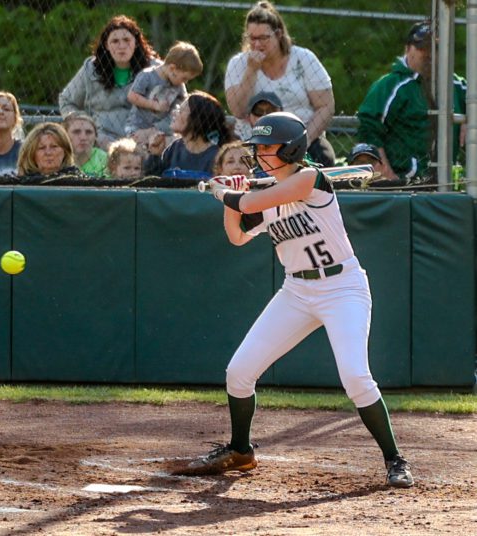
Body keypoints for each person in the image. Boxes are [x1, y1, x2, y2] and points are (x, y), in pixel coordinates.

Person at [177, 112, 413, 489]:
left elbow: (248, 203)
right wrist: (231, 201)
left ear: (291, 149)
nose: (259, 155)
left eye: (268, 148)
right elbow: (237, 236)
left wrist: (226, 192)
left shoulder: (310, 179)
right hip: (297, 291)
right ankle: (240, 450)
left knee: (355, 376)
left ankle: (395, 459)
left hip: (343, 288)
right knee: (239, 372)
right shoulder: (268, 195)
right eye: (258, 149)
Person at [224, 1, 336, 166]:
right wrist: (251, 70)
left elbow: (326, 106)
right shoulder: (238, 64)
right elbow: (238, 111)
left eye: (263, 38)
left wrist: (304, 140)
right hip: (253, 141)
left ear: (278, 34)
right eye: (252, 38)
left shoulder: (303, 58)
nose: (257, 44)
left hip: (302, 138)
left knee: (323, 159)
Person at [356, 20, 467, 183]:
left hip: (446, 183)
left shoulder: (456, 85)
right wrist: (386, 176)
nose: (430, 54)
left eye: (436, 48)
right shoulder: (390, 85)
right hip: (404, 183)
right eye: (423, 48)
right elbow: (368, 130)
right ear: (407, 49)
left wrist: (469, 117)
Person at [59, 15, 161, 150]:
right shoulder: (92, 69)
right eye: (115, 41)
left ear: (136, 43)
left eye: (126, 40)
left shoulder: (156, 70)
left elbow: (176, 105)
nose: (121, 46)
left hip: (143, 142)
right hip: (101, 142)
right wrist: (83, 125)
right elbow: (66, 100)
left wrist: (153, 131)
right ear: (106, 45)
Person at [125, 41, 202, 145]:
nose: (185, 82)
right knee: (137, 150)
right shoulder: (147, 76)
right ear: (172, 68)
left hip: (160, 130)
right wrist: (154, 105)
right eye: (184, 78)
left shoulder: (179, 86)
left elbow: (183, 105)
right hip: (137, 127)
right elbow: (132, 96)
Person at [144, 90, 235, 178]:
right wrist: (155, 155)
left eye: (181, 110)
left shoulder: (216, 156)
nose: (174, 113)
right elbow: (152, 181)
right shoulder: (174, 148)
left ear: (196, 119)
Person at [62, 112, 108, 177]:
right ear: (65, 135)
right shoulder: (57, 157)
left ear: (96, 136)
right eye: (76, 132)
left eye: (89, 132)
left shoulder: (105, 160)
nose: (83, 138)